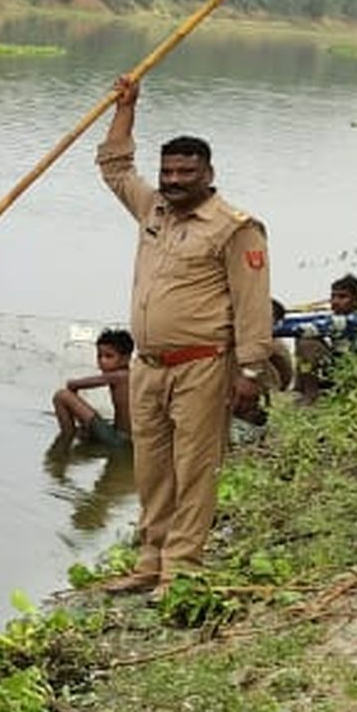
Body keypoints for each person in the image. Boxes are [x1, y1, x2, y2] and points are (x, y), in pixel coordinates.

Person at [95, 75, 273, 593]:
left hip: (202, 365)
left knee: (195, 468)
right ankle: (150, 558)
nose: (173, 180)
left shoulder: (234, 227)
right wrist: (127, 107)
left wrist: (250, 370)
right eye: (167, 171)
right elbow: (114, 167)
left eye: (185, 172)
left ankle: (182, 568)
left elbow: (252, 303)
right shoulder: (153, 209)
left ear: (208, 173)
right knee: (150, 466)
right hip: (148, 366)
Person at [286, 274, 357, 401]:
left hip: (350, 374)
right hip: (337, 369)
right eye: (333, 296)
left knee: (307, 342)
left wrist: (268, 330)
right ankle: (302, 387)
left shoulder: (351, 321)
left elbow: (300, 328)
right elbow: (308, 320)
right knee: (303, 339)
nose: (335, 301)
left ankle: (311, 395)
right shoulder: (338, 318)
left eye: (342, 297)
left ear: (356, 300)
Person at [52, 329, 134, 446]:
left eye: (109, 356)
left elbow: (72, 385)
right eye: (99, 356)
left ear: (126, 358)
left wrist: (75, 408)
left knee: (61, 395)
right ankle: (79, 434)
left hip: (119, 439)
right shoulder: (130, 374)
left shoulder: (118, 376)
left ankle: (67, 437)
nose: (102, 361)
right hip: (125, 435)